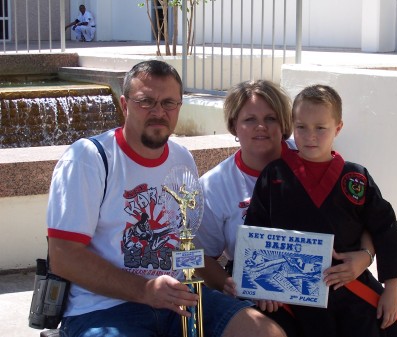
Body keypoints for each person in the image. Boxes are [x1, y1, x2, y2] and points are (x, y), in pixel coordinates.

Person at [47, 60, 286, 337]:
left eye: (169, 103)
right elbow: (63, 257)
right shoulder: (88, 159)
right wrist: (145, 290)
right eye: (146, 101)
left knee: (266, 334)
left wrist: (227, 282)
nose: (159, 112)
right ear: (124, 105)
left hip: (179, 299)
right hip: (103, 309)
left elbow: (185, 243)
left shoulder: (181, 157)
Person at [194, 80, 377, 336]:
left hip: (332, 287)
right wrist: (237, 286)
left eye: (270, 118)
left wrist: (365, 257)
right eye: (249, 119)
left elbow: (366, 216)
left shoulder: (312, 152)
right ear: (233, 125)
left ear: (284, 124)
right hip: (266, 298)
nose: (261, 127)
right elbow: (197, 255)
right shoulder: (214, 185)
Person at [244, 84, 397, 337]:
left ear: (338, 128)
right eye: (301, 127)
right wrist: (260, 288)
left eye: (320, 128)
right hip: (292, 292)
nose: (309, 135)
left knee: (396, 328)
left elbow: (385, 227)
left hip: (349, 284)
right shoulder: (275, 175)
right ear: (292, 126)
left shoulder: (355, 178)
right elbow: (255, 230)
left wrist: (392, 289)